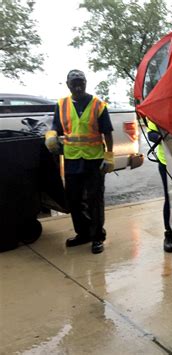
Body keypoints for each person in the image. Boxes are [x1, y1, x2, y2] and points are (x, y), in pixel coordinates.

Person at [45, 69, 114, 254]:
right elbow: (56, 127)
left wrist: (109, 157)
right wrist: (51, 136)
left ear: (86, 82)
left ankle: (97, 236)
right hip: (72, 159)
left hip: (94, 160)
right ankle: (83, 233)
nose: (78, 85)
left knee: (94, 199)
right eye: (74, 82)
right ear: (67, 84)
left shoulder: (98, 105)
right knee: (74, 200)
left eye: (81, 82)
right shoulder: (62, 104)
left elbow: (107, 132)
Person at [146, 120, 172, 253]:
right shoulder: (159, 109)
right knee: (170, 197)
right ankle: (169, 234)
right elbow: (151, 133)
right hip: (166, 162)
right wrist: (160, 136)